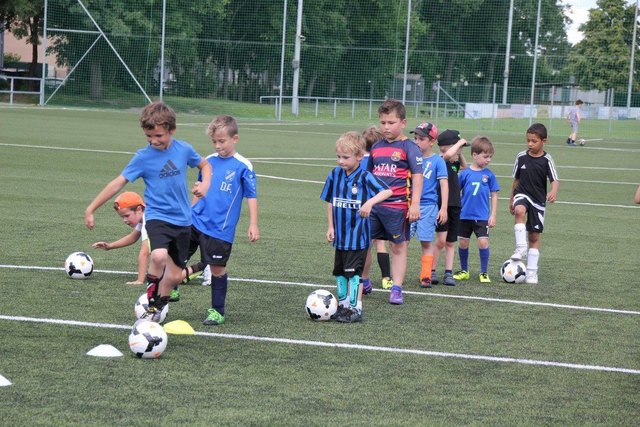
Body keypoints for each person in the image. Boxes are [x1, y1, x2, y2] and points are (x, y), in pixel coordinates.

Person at [85, 101, 212, 321]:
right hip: (157, 217)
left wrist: (205, 185)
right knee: (159, 255)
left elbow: (205, 166)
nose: (154, 141)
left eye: (159, 136)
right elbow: (118, 182)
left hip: (183, 220)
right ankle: (152, 290)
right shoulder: (143, 157)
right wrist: (91, 207)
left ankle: (155, 310)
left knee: (173, 277)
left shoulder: (184, 150)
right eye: (148, 136)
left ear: (172, 130)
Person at [187, 114, 260, 326]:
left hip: (220, 228)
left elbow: (251, 196)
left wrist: (253, 223)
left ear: (234, 138)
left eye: (222, 141)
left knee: (217, 269)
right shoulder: (207, 162)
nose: (218, 146)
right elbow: (199, 188)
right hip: (195, 220)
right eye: (214, 142)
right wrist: (190, 209)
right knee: (175, 256)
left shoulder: (243, 166)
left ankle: (217, 311)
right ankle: (166, 293)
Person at [321, 131, 392, 322]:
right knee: (339, 273)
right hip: (340, 237)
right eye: (338, 157)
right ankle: (343, 306)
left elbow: (387, 190)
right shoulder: (335, 175)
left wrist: (369, 203)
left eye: (345, 157)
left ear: (360, 156)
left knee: (354, 275)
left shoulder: (365, 177)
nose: (341, 161)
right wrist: (330, 227)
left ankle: (355, 308)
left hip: (357, 236)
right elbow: (330, 202)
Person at [367, 99, 423, 305]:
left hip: (397, 207)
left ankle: (396, 288)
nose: (386, 127)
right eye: (383, 123)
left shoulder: (410, 147)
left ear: (403, 122)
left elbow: (418, 176)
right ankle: (364, 281)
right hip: (373, 207)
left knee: (397, 247)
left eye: (391, 123)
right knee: (365, 244)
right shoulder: (376, 147)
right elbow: (368, 176)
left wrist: (415, 204)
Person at [509, 123, 559, 284]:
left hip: (538, 200)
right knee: (519, 211)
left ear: (544, 141)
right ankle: (521, 247)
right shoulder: (521, 156)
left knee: (534, 235)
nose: (530, 144)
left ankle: (531, 272)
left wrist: (553, 191)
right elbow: (516, 180)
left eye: (534, 141)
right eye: (528, 141)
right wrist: (511, 199)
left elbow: (555, 180)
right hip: (522, 194)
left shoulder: (547, 160)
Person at [452, 136, 500, 283]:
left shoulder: (489, 175)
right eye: (486, 156)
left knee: (483, 242)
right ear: (474, 155)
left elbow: (494, 195)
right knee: (463, 243)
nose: (488, 160)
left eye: (490, 157)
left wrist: (493, 215)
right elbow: (455, 191)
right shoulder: (465, 173)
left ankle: (484, 272)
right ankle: (464, 270)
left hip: (481, 216)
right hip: (465, 215)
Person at [410, 122, 449, 288]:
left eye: (421, 139)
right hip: (410, 206)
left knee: (426, 242)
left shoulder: (437, 161)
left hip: (428, 207)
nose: (417, 142)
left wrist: (443, 208)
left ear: (432, 141)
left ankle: (426, 276)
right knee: (401, 242)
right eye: (415, 138)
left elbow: (444, 185)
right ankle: (394, 276)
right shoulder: (411, 158)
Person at [91, 191, 150, 286]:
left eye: (127, 216)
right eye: (122, 217)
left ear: (139, 209)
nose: (125, 220)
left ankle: (182, 272)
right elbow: (132, 237)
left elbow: (144, 253)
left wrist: (140, 280)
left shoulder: (149, 221)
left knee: (170, 275)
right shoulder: (144, 216)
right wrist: (109, 246)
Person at [432, 129, 467, 286]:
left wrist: (459, 152)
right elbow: (445, 155)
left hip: (455, 205)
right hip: (442, 205)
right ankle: (431, 271)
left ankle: (448, 272)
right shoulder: (440, 160)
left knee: (451, 242)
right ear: (447, 147)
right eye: (457, 147)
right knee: (440, 241)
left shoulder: (454, 163)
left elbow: (464, 166)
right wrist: (458, 145)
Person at [360, 125, 392, 294]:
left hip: (363, 209)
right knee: (381, 243)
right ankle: (387, 278)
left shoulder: (359, 163)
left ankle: (364, 280)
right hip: (382, 206)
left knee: (366, 246)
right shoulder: (380, 163)